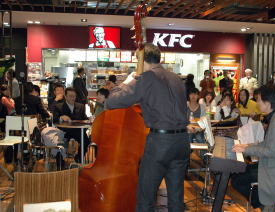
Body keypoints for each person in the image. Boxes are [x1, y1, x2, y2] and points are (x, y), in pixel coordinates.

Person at [105, 44, 189, 212]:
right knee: (176, 199)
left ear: (141, 60)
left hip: (161, 142)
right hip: (182, 141)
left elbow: (111, 102)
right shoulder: (176, 78)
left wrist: (129, 80)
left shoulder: (147, 78)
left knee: (146, 198)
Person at [232, 85, 275, 211]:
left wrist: (246, 150)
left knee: (238, 179)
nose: (257, 104)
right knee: (239, 172)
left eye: (259, 100)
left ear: (268, 103)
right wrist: (247, 145)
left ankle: (265, 205)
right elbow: (267, 143)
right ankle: (264, 204)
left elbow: (271, 151)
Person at [53, 87, 90, 163]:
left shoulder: (81, 106)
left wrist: (87, 123)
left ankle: (79, 158)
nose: (72, 98)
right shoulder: (59, 106)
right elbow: (54, 120)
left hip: (78, 131)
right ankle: (60, 162)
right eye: (70, 96)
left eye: (74, 96)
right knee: (60, 142)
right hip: (64, 132)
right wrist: (61, 117)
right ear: (65, 96)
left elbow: (85, 119)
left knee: (86, 142)